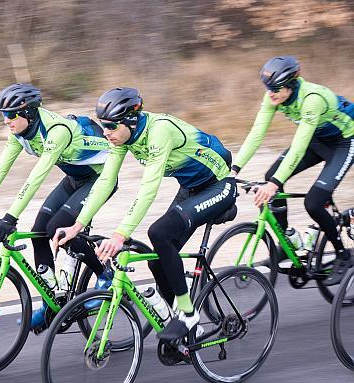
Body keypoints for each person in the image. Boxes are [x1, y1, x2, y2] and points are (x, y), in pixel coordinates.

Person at [54, 87, 236, 341]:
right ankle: (185, 323)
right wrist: (77, 226)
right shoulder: (122, 138)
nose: (105, 133)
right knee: (157, 260)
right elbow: (106, 181)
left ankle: (187, 314)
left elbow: (149, 189)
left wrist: (120, 235)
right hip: (192, 188)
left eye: (111, 127)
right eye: (103, 126)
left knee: (159, 232)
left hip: (219, 185)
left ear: (130, 120)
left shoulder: (158, 131)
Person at [0, 83, 115, 329]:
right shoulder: (20, 135)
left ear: (28, 112)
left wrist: (10, 218)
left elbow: (36, 177)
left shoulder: (56, 131)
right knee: (39, 232)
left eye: (11, 114)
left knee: (56, 228)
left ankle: (104, 274)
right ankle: (51, 301)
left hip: (100, 178)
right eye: (3, 115)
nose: (6, 120)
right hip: (75, 178)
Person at [232, 56, 354, 285]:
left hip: (345, 143)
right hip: (318, 139)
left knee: (314, 203)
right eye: (267, 88)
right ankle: (288, 241)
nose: (270, 94)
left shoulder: (312, 99)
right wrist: (234, 169)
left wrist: (275, 184)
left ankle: (342, 255)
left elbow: (298, 146)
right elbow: (257, 133)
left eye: (276, 89)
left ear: (291, 85)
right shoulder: (274, 96)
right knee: (270, 176)